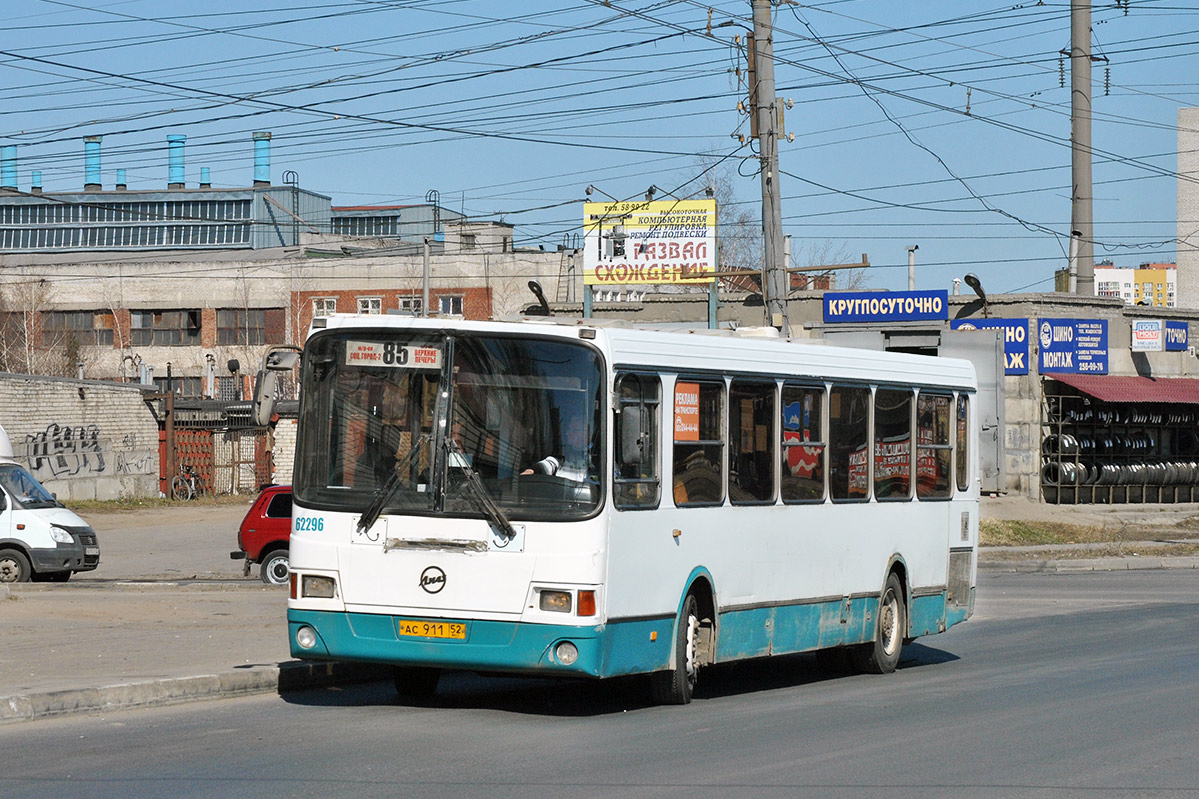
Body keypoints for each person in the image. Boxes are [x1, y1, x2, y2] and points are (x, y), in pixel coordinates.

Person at [521, 414, 592, 482]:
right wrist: (532, 471)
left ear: (587, 433)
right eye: (569, 429)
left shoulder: (598, 455)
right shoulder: (564, 452)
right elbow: (551, 463)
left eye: (574, 430)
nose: (568, 433)